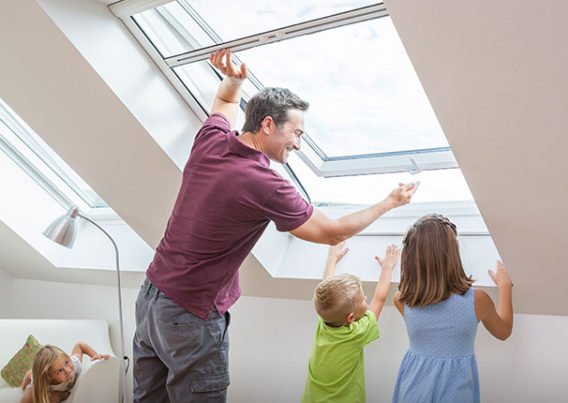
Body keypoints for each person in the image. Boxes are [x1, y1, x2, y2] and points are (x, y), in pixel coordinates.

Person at [133, 49, 419, 403]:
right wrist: (390, 202)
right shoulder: (263, 181)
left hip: (151, 298)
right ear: (267, 124)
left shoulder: (211, 140)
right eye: (296, 133)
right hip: (189, 314)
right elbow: (333, 232)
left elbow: (223, 100)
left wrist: (234, 81)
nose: (299, 143)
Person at [391, 214, 513, 403]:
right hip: (456, 393)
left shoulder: (402, 299)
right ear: (452, 254)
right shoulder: (477, 299)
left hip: (412, 390)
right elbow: (503, 331)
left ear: (409, 257)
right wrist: (504, 286)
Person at [302, 241, 400, 403]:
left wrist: (332, 259)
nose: (366, 299)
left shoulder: (324, 320)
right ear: (351, 318)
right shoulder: (356, 333)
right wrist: (387, 267)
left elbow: (325, 287)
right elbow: (379, 299)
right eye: (362, 300)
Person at [20, 343, 110, 403]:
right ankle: (27, 378)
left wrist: (95, 355)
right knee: (30, 382)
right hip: (38, 379)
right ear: (50, 377)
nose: (68, 370)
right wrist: (23, 388)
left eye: (66, 362)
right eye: (59, 371)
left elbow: (80, 345)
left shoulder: (75, 364)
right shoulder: (41, 382)